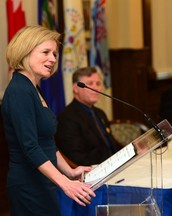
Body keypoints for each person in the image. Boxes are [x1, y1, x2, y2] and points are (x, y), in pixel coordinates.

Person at [1, 26, 96, 216]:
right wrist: (65, 183)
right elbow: (30, 147)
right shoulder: (20, 90)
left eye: (54, 53)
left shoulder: (33, 88)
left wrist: (70, 172)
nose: (53, 59)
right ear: (25, 52)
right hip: (29, 186)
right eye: (45, 52)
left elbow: (47, 143)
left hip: (44, 181)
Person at [55, 67, 121, 166]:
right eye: (90, 84)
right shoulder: (67, 117)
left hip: (115, 165)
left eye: (98, 84)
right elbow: (76, 157)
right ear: (76, 88)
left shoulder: (100, 113)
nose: (96, 88)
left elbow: (110, 145)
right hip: (94, 171)